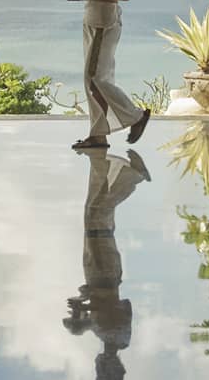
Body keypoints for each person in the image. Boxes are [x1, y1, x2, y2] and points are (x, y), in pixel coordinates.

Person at [66, 0, 150, 150]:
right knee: (94, 80)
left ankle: (136, 116)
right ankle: (98, 135)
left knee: (93, 78)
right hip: (90, 20)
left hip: (106, 23)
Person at [63, 146, 151, 380]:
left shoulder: (108, 336)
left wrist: (83, 304)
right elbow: (118, 306)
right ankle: (133, 177)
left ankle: (110, 170)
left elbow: (109, 307)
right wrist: (87, 311)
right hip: (104, 273)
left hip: (99, 275)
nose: (99, 366)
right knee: (96, 214)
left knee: (95, 214)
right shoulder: (116, 337)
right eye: (103, 371)